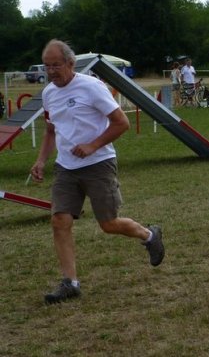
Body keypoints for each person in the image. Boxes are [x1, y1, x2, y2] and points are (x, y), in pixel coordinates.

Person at [30, 39, 165, 304]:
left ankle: (149, 235)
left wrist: (93, 145)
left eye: (56, 65)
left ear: (70, 63)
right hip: (66, 167)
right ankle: (70, 283)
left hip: (99, 164)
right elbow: (50, 129)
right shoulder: (48, 93)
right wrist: (41, 160)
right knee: (60, 221)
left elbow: (121, 122)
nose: (51, 71)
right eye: (47, 66)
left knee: (108, 224)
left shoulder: (91, 87)